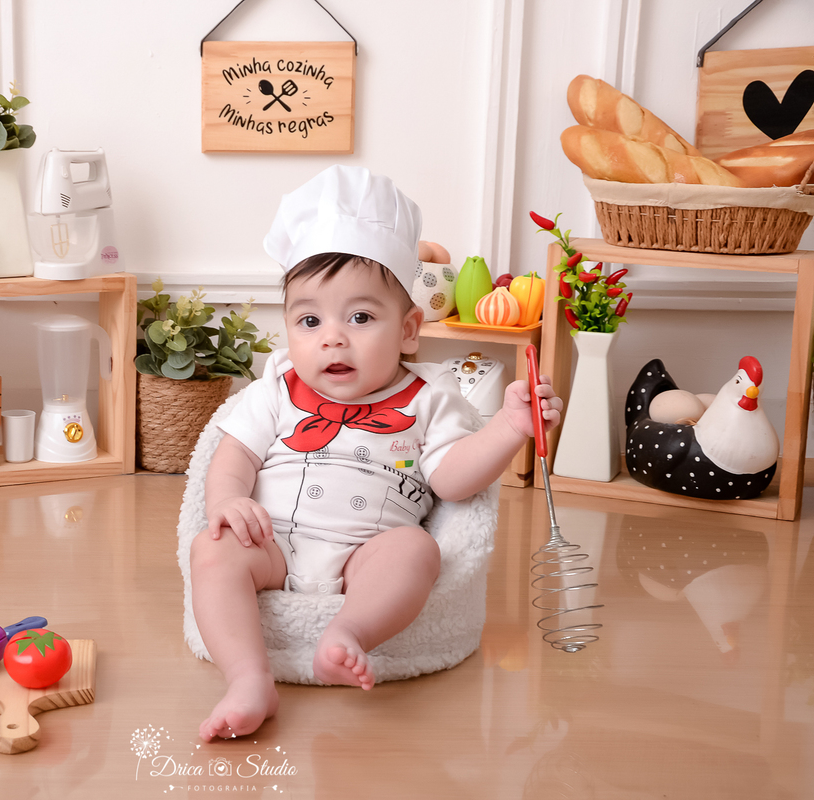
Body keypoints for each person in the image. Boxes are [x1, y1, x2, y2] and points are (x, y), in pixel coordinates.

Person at [189, 165, 562, 742]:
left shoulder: (430, 399)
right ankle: (247, 678)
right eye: (310, 320)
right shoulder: (276, 390)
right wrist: (228, 500)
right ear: (288, 329)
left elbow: (456, 481)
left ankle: (349, 631)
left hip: (365, 553)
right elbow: (232, 452)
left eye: (360, 317)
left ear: (409, 329)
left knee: (416, 549)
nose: (332, 337)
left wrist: (512, 426)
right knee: (211, 552)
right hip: (274, 545)